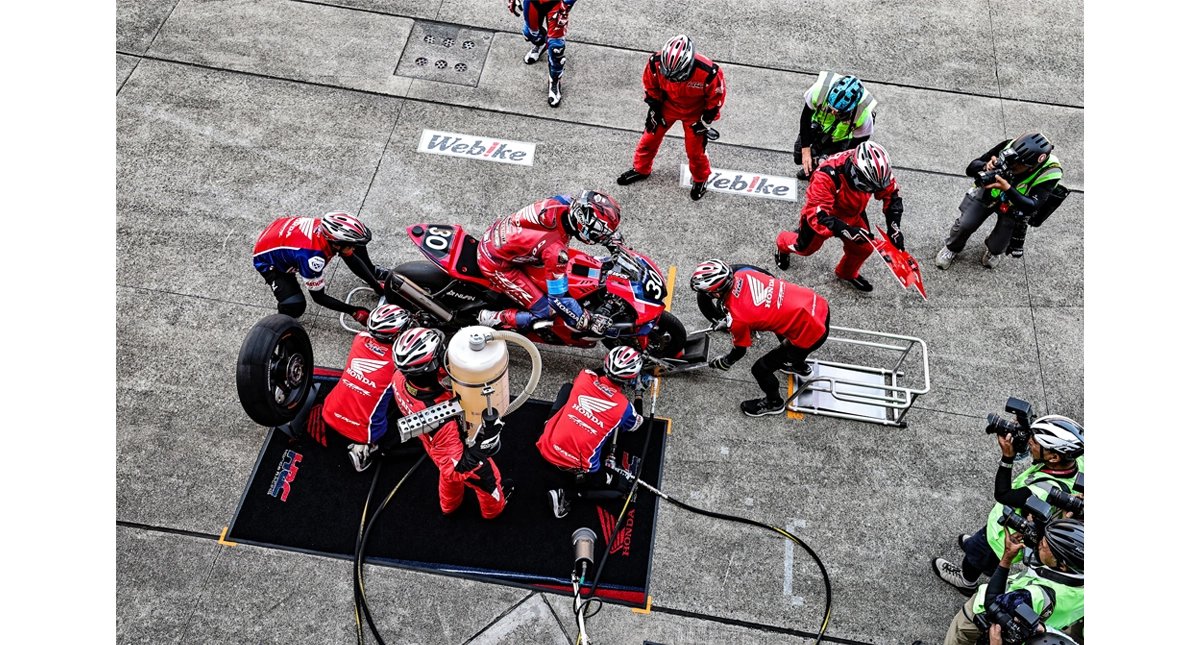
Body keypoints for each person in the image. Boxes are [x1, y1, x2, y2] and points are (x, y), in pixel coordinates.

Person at [933, 415, 1087, 595]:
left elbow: (1003, 494)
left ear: (1053, 457)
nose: (1030, 442)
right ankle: (985, 561)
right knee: (982, 553)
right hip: (1010, 524)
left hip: (1000, 537)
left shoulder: (1044, 491)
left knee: (975, 557)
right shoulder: (1077, 462)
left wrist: (1007, 456)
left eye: (1035, 443)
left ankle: (966, 582)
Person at [391, 327, 512, 519]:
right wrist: (488, 439)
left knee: (445, 472)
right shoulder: (442, 420)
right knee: (488, 481)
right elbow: (457, 469)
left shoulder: (400, 377)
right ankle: (493, 512)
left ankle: (448, 507)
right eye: (441, 353)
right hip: (452, 450)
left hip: (432, 444)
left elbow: (431, 374)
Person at [691, 260, 831, 417]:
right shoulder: (744, 273)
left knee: (760, 369)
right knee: (782, 327)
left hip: (811, 332)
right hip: (816, 304)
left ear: (716, 293)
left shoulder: (738, 319)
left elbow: (740, 350)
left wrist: (725, 361)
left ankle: (774, 403)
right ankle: (797, 365)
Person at [475, 191, 620, 332]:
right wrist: (584, 320)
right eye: (599, 231)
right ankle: (494, 318)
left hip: (498, 234)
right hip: (496, 263)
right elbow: (558, 300)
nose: (600, 236)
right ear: (583, 222)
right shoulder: (555, 250)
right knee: (546, 311)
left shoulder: (564, 201)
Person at [773, 141, 904, 292]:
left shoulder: (876, 171)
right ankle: (782, 243)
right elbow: (818, 217)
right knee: (804, 249)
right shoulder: (825, 175)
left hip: (853, 212)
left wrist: (894, 228)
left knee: (864, 248)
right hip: (825, 217)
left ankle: (846, 272)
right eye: (869, 188)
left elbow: (892, 195)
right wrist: (847, 231)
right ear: (855, 173)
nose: (874, 191)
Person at [538, 346, 647, 518]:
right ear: (631, 378)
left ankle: (548, 424)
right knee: (622, 487)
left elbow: (595, 372)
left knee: (568, 388)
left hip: (546, 446)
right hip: (575, 468)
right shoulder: (623, 407)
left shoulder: (585, 377)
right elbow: (636, 423)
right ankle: (566, 495)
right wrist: (639, 392)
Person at [614, 35, 726, 201]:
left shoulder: (709, 72)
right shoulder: (655, 62)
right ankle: (641, 169)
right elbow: (650, 85)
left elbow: (715, 99)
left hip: (695, 113)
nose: (672, 78)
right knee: (648, 140)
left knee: (695, 152)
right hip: (666, 107)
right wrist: (655, 108)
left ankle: (701, 179)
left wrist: (705, 121)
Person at [944, 520, 1086, 645]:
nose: (1038, 546)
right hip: (1045, 627)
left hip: (978, 615)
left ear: (1062, 565)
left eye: (1043, 546)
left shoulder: (1033, 596)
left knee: (958, 635)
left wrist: (1007, 557)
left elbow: (992, 603)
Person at [934, 132, 1063, 270]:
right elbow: (971, 169)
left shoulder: (1051, 172)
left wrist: (1007, 188)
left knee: (999, 245)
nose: (1011, 165)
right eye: (1011, 159)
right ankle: (952, 248)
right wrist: (985, 166)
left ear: (1032, 167)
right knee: (965, 225)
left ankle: (993, 252)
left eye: (1017, 164)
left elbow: (1032, 206)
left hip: (1016, 207)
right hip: (989, 194)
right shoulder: (1009, 147)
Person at [318, 304, 412, 471]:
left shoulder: (359, 339)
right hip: (365, 432)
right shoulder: (400, 365)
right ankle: (367, 450)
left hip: (329, 411)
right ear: (396, 336)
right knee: (414, 422)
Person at [252, 212, 387, 321]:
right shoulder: (312, 258)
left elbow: (351, 257)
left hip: (280, 232)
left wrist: (376, 285)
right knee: (294, 306)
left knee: (357, 247)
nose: (353, 248)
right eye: (351, 245)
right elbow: (319, 297)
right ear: (336, 245)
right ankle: (278, 323)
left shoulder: (327, 229)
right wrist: (353, 311)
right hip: (267, 260)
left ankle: (373, 272)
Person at [793, 72, 878, 181]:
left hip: (840, 138)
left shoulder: (864, 116)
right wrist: (805, 150)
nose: (832, 112)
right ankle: (813, 163)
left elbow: (854, 148)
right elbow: (805, 118)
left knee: (830, 168)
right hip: (819, 126)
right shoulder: (819, 90)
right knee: (799, 156)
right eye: (830, 107)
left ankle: (816, 170)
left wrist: (837, 163)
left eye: (837, 112)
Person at [507, 0, 577, 107]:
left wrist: (568, 3)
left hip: (557, 4)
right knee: (530, 33)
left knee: (556, 49)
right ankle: (541, 44)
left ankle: (554, 81)